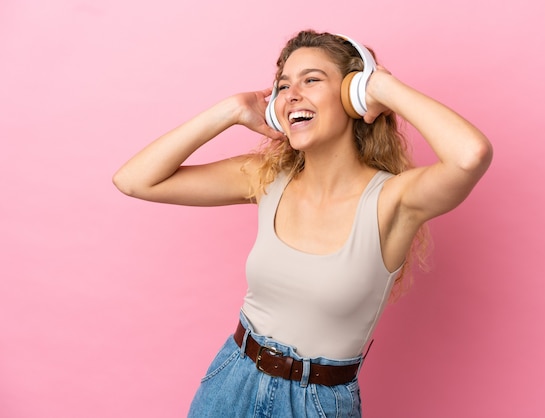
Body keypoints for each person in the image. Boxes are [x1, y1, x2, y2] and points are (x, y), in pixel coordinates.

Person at [113, 30, 492, 417]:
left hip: (316, 403)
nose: (292, 94)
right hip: (231, 380)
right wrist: (229, 111)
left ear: (352, 94)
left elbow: (470, 155)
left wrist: (381, 87)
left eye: (311, 79)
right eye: (283, 86)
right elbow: (134, 180)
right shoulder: (264, 176)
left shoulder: (394, 201)